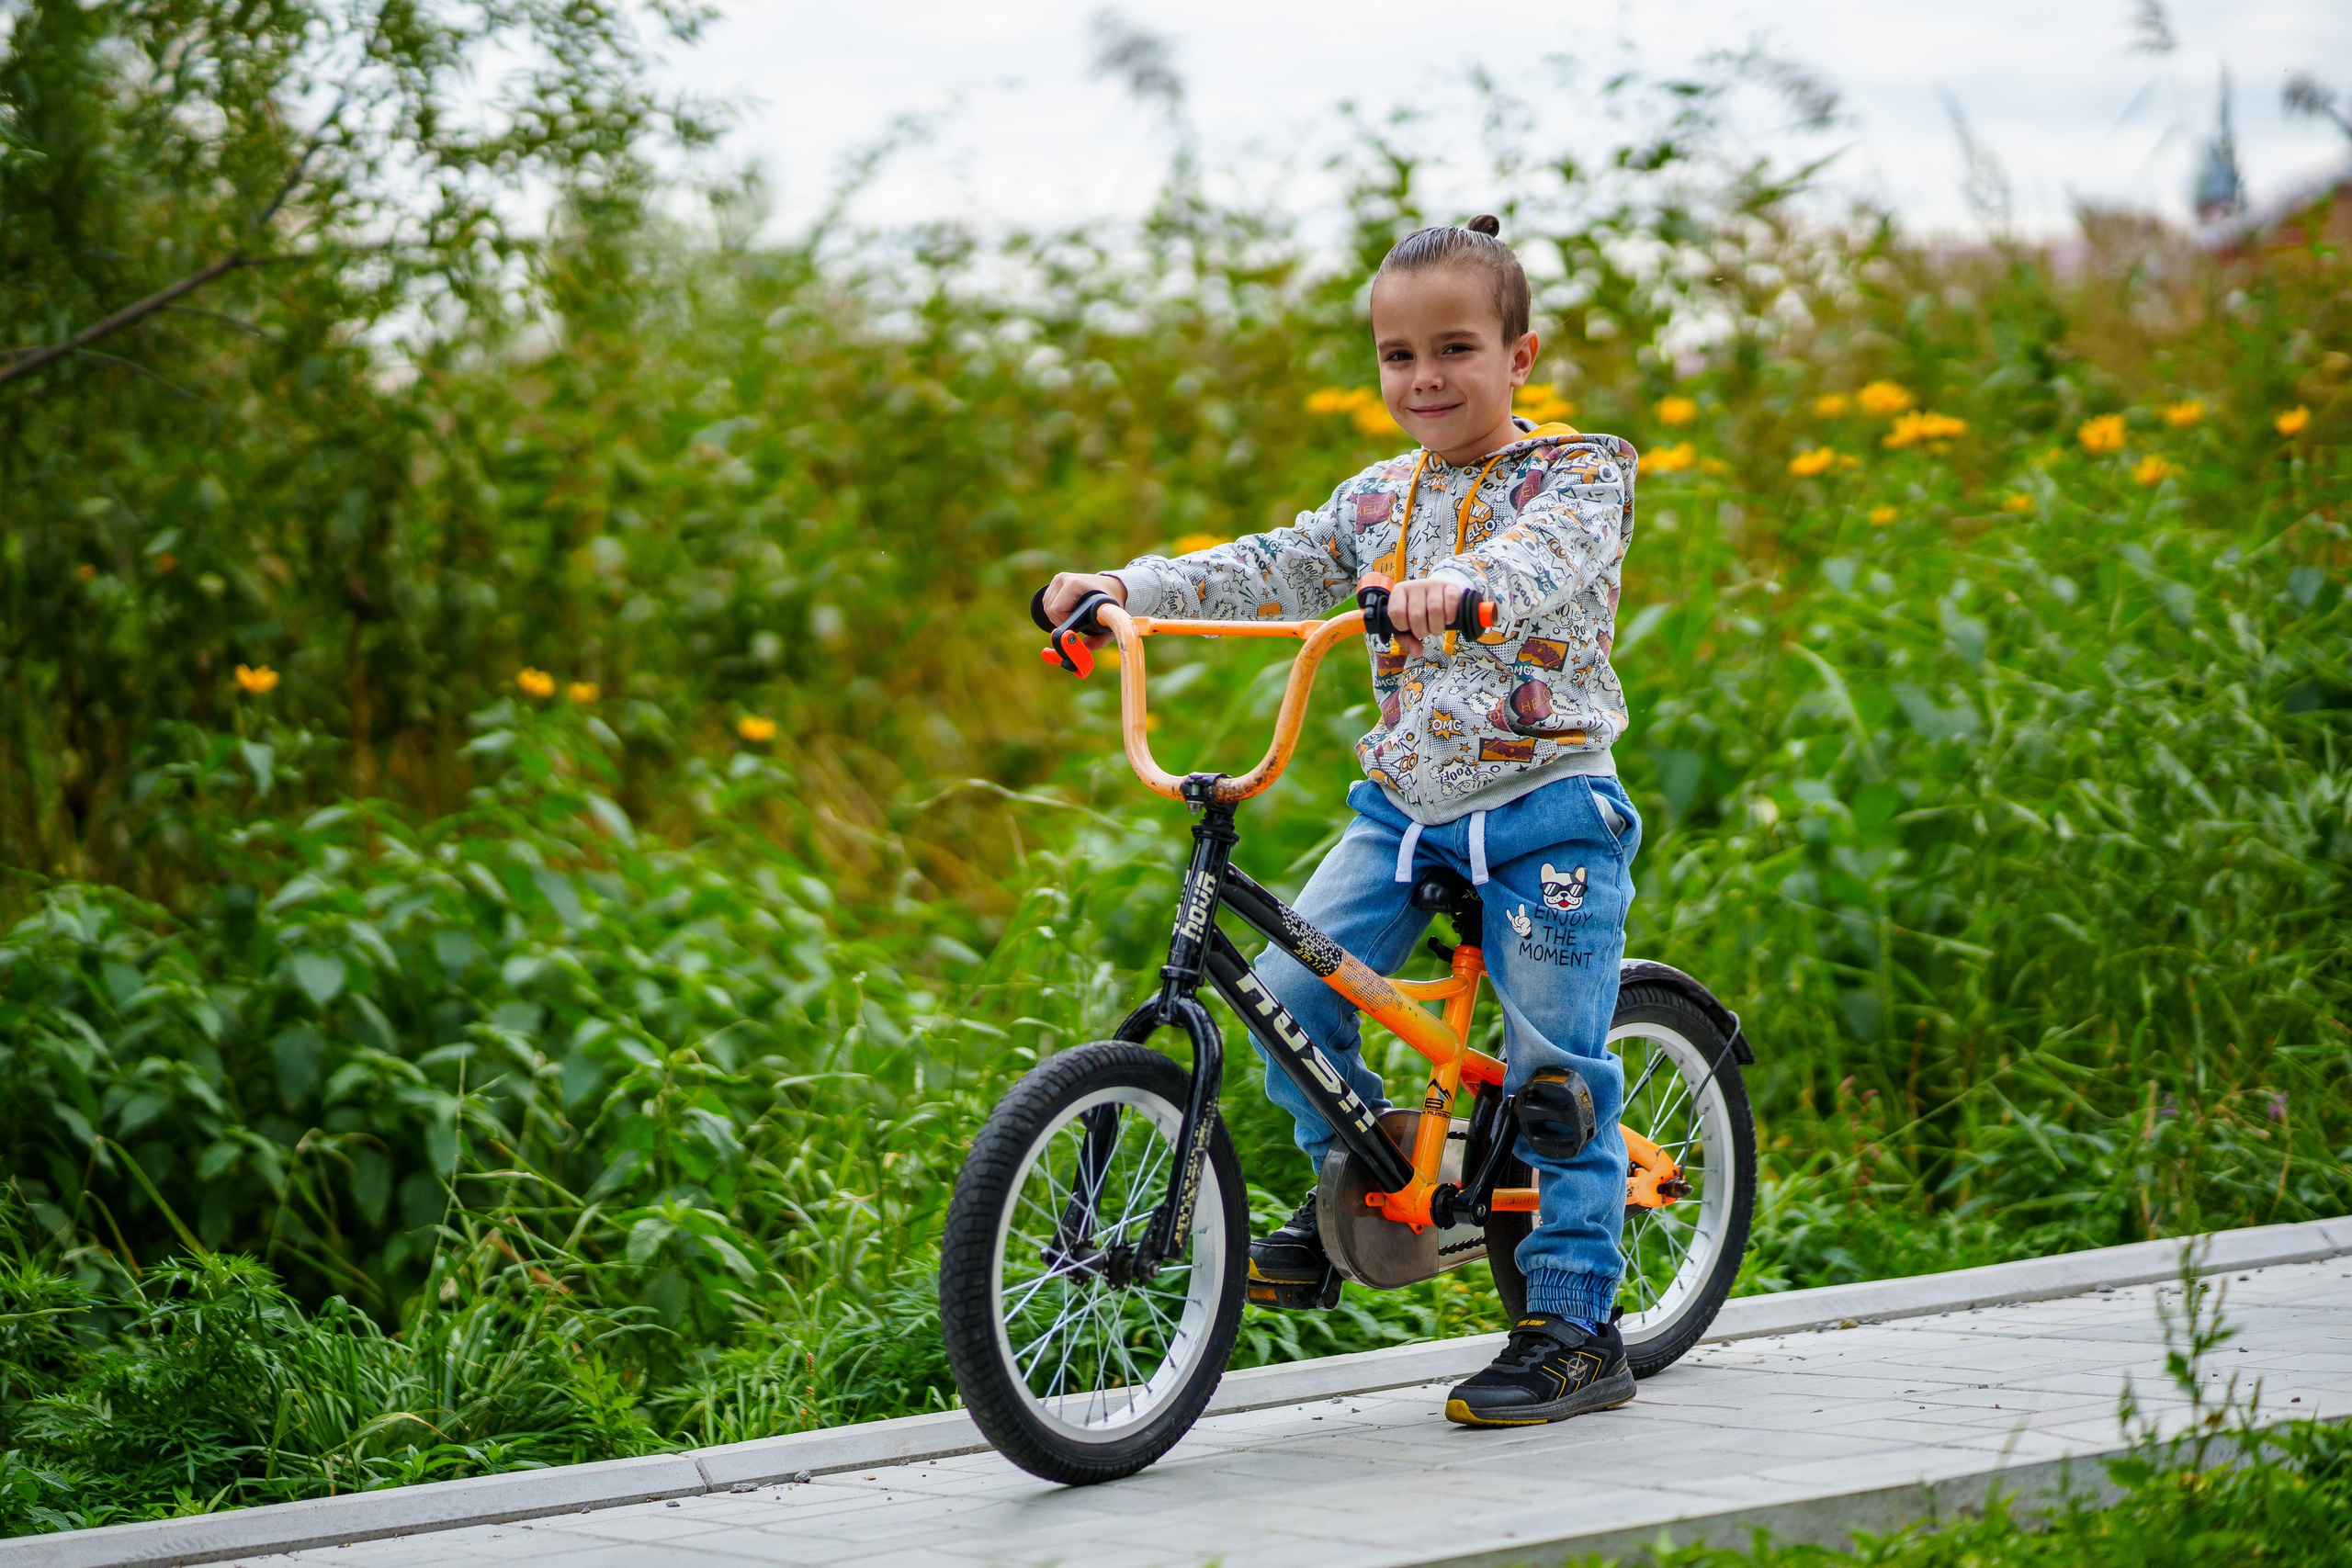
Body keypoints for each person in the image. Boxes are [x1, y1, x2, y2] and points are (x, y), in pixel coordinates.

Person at [1037, 215, 1643, 1428]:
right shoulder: (1378, 500)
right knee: (1291, 991)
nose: (1424, 378)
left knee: (1552, 1076)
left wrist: (1462, 593)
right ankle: (1356, 1188)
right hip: (1408, 814)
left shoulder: (1579, 475)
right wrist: (1123, 587)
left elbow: (1538, 563)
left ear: (1520, 357)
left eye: (1456, 349)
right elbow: (1271, 565)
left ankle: (1576, 1322)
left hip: (1551, 812)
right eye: (1398, 355)